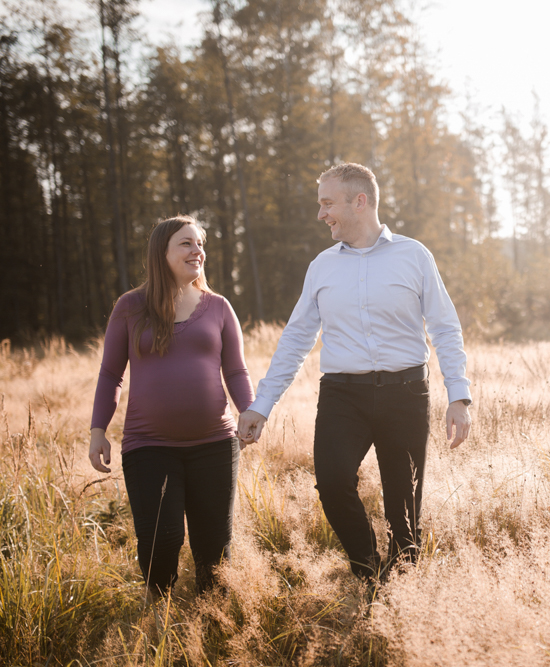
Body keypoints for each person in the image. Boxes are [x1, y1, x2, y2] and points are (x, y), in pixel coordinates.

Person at [238, 163, 472, 582]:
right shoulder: (321, 267)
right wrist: (262, 405)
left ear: (359, 201)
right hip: (343, 397)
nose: (320, 214)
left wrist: (458, 395)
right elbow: (296, 339)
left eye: (327, 203)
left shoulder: (414, 256)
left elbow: (444, 327)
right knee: (331, 483)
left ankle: (399, 591)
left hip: (405, 395)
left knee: (403, 510)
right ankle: (368, 571)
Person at [89, 215, 254, 597]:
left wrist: (247, 410)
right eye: (186, 243)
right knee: (161, 539)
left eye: (200, 244)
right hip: (149, 446)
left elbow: (236, 370)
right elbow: (110, 373)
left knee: (214, 547)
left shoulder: (219, 307)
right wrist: (98, 430)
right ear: (161, 252)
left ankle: (211, 621)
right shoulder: (130, 307)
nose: (198, 251)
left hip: (215, 444)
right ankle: (155, 613)